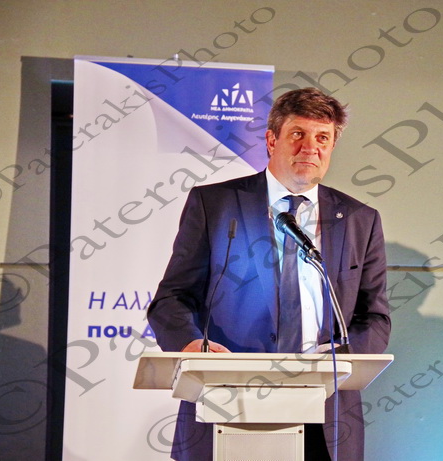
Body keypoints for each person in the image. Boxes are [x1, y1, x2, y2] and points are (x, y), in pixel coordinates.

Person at [147, 87, 391, 461]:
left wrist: (344, 358)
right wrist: (191, 345)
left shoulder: (360, 219)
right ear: (272, 139)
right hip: (227, 399)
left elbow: (374, 316)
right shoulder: (216, 204)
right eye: (298, 134)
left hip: (325, 411)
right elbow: (172, 299)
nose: (310, 147)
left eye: (322, 138)